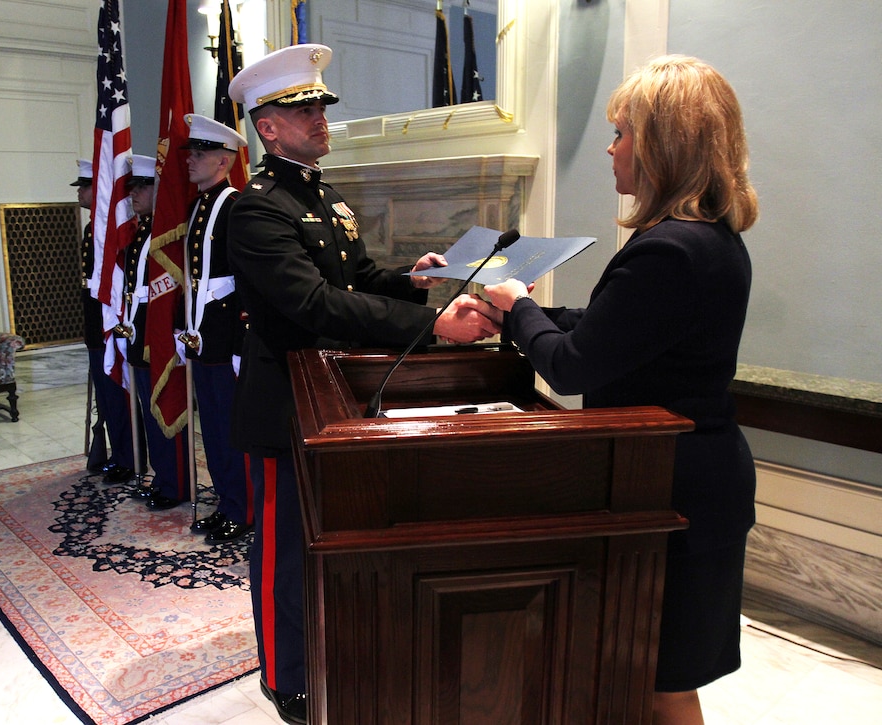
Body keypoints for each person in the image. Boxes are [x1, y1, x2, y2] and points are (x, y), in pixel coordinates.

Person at [480, 55, 758, 725]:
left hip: (674, 490)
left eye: (622, 133)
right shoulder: (704, 240)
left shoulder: (668, 249)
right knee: (648, 676)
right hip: (693, 478)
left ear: (663, 144)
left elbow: (573, 365)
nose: (610, 149)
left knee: (662, 681)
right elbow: (616, 333)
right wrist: (518, 315)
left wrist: (520, 307)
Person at [226, 44, 500, 724]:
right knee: (284, 552)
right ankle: (285, 676)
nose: (320, 118)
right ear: (268, 126)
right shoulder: (255, 209)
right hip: (284, 401)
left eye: (321, 105)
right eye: (304, 109)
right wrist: (433, 323)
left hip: (338, 397)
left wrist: (411, 277)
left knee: (333, 542)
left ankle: (331, 647)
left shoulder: (326, 195)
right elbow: (314, 306)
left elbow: (356, 280)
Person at [177, 114, 253, 545]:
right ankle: (226, 502)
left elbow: (244, 278)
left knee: (229, 426)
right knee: (212, 424)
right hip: (200, 331)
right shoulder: (197, 207)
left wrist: (241, 339)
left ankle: (242, 510)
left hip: (225, 335)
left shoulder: (236, 206)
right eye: (192, 152)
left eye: (201, 154)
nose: (191, 160)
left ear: (224, 162)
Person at [123, 154, 190, 510]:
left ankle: (176, 483)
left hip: (159, 335)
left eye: (142, 186)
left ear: (158, 190)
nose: (134, 193)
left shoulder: (164, 234)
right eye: (132, 187)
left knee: (164, 405)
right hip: (140, 332)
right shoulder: (141, 233)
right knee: (149, 411)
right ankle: (163, 476)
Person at [74, 159, 137, 482]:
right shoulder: (91, 227)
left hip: (109, 322)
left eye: (84, 186)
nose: (80, 193)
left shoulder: (110, 227)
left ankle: (128, 456)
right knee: (106, 395)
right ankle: (118, 452)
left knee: (116, 394)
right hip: (94, 323)